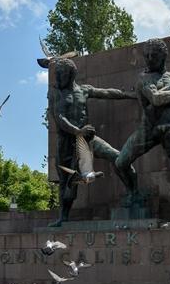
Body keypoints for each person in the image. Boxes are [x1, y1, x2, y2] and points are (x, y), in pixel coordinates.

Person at [115, 38, 170, 221]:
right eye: (146, 56)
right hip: (148, 128)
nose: (148, 59)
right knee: (120, 163)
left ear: (163, 56)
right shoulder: (144, 79)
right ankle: (134, 194)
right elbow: (156, 99)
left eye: (153, 55)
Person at [48, 57, 137, 226]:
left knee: (118, 157)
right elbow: (59, 117)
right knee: (67, 183)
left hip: (88, 139)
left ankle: (133, 193)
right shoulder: (56, 94)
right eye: (56, 74)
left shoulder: (84, 90)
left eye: (62, 74)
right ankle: (63, 218)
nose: (58, 78)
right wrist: (77, 131)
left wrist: (130, 95)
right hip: (67, 144)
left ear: (72, 74)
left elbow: (108, 93)